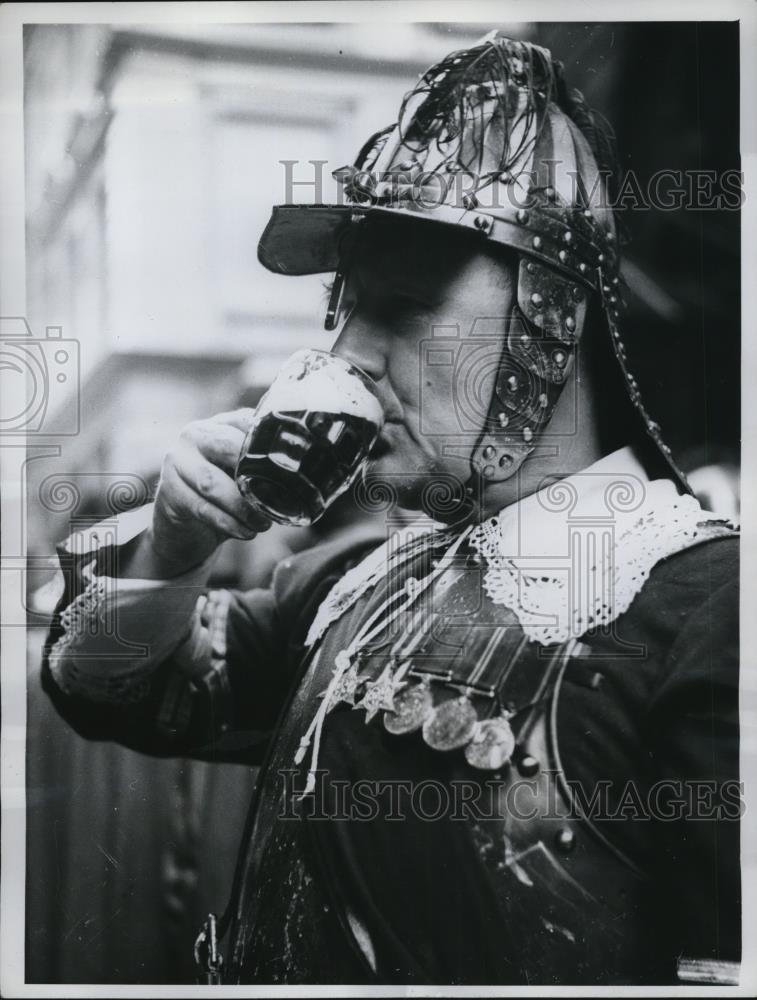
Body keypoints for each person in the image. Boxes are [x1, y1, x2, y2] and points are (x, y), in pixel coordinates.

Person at [41, 33, 740, 986]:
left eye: (403, 307)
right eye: (344, 311)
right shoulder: (358, 577)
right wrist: (176, 539)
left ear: (550, 318)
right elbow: (117, 692)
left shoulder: (715, 612)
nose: (348, 356)